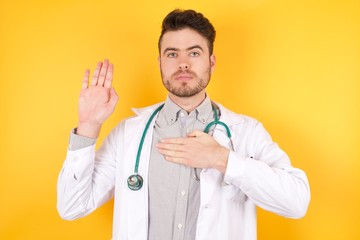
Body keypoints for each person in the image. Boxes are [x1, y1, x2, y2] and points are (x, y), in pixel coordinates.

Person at [57, 9, 310, 240]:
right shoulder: (128, 134)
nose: (183, 63)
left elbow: (297, 202)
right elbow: (71, 207)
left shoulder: (247, 132)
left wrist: (222, 159)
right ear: (160, 63)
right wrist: (88, 126)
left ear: (211, 62)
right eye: (172, 54)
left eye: (194, 52)